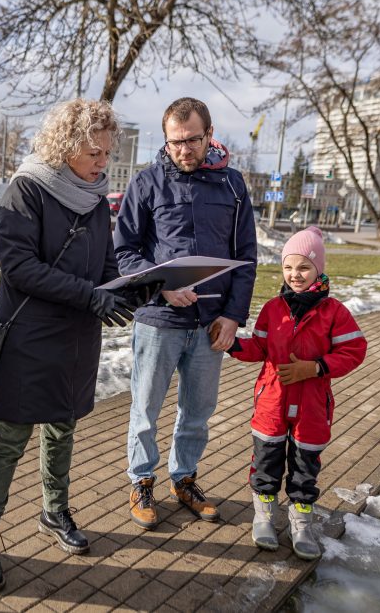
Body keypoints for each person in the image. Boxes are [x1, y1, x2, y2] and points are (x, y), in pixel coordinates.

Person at [0, 98, 158, 593]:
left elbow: (104, 266)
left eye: (106, 153)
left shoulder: (96, 198)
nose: (103, 163)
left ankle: (54, 512)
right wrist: (90, 296)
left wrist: (131, 287)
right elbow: (19, 267)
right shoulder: (26, 189)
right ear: (67, 144)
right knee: (8, 439)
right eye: (94, 153)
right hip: (27, 334)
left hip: (76, 338)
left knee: (62, 430)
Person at [114, 97, 257, 530]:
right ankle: (141, 482)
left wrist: (233, 316)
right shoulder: (147, 184)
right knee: (145, 410)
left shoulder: (232, 186)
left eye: (192, 140)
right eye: (175, 142)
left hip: (212, 324)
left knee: (197, 412)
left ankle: (185, 479)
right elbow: (124, 252)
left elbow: (246, 256)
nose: (183, 150)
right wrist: (162, 286)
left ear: (209, 135)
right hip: (159, 321)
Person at [228, 226, 366, 559]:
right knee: (266, 462)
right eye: (288, 267)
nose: (295, 275)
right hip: (272, 402)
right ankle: (263, 516)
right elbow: (259, 346)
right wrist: (231, 344)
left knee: (305, 468)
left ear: (319, 268)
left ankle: (301, 523)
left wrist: (316, 366)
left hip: (312, 406)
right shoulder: (273, 309)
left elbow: (355, 350)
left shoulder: (334, 312)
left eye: (303, 267)